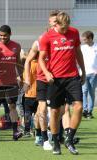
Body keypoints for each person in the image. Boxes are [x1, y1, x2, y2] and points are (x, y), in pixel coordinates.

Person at [39, 11, 86, 155]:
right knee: (54, 111)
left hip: (72, 77)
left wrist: (83, 71)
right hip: (56, 79)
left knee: (78, 107)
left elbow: (78, 52)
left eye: (67, 28)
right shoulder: (46, 37)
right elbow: (41, 58)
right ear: (56, 24)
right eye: (62, 29)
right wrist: (47, 73)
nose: (65, 31)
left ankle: (69, 139)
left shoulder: (74, 32)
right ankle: (55, 142)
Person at [24, 10, 59, 150]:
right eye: (53, 23)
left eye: (57, 23)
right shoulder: (39, 42)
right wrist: (27, 80)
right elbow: (27, 61)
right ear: (49, 25)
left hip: (58, 80)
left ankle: (56, 134)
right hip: (42, 79)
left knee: (60, 110)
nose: (55, 26)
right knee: (43, 108)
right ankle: (44, 138)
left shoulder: (63, 40)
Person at [0, 25, 23, 141]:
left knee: (12, 106)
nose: (2, 38)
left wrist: (22, 77)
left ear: (10, 34)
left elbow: (18, 62)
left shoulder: (16, 46)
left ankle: (15, 131)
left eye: (5, 35)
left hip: (12, 82)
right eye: (1, 36)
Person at [81, 31, 97, 119]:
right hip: (83, 73)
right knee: (84, 91)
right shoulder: (82, 48)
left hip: (94, 74)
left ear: (90, 38)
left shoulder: (96, 47)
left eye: (85, 39)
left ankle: (90, 111)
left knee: (91, 92)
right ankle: (85, 109)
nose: (83, 41)